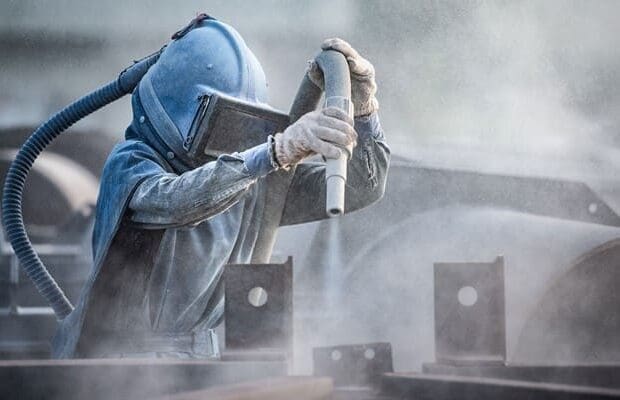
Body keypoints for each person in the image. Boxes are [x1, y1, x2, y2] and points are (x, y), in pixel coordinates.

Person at [52, 15, 390, 359]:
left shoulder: (252, 178)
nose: (228, 141)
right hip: (118, 365)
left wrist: (364, 112)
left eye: (242, 124)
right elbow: (178, 201)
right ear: (179, 112)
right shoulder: (131, 163)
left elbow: (363, 187)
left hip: (207, 360)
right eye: (220, 122)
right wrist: (274, 152)